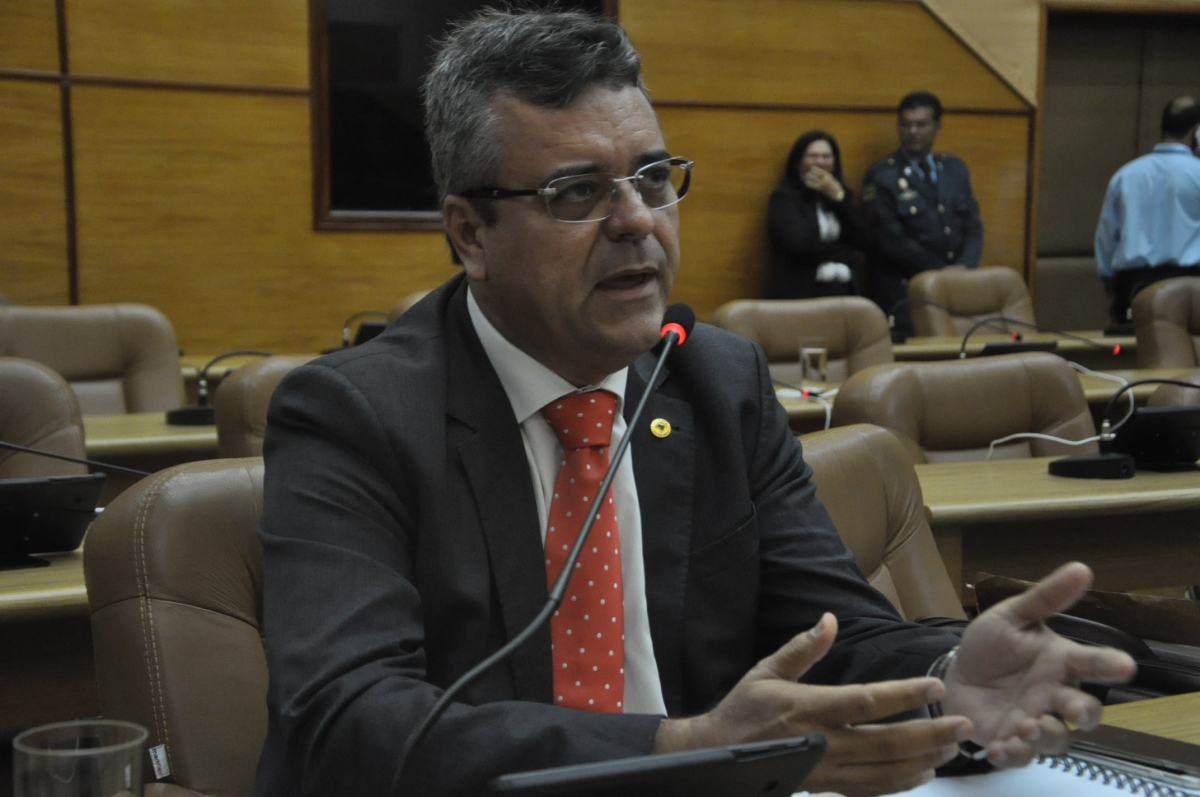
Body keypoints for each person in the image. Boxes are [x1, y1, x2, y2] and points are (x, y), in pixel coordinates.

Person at [251, 11, 1134, 797]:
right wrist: (677, 749)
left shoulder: (716, 382)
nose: (636, 220)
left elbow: (834, 630)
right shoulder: (351, 415)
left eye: (651, 178)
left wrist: (946, 665)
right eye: (577, 193)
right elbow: (348, 724)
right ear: (470, 234)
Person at [862, 91, 984, 333]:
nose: (913, 132)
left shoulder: (955, 169)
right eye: (906, 124)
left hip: (956, 289)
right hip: (907, 293)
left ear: (938, 127)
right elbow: (890, 239)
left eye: (921, 124)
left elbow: (973, 226)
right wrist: (941, 273)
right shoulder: (882, 175)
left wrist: (965, 267)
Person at [1095, 96, 1200, 325]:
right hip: (1191, 288)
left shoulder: (1125, 175)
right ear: (1196, 130)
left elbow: (1106, 238)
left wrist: (1113, 289)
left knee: (1130, 356)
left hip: (1132, 286)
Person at [766, 130, 875, 300]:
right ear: (798, 161)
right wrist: (847, 254)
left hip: (843, 291)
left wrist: (839, 199)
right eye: (813, 156)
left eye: (826, 156)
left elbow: (864, 238)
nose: (820, 162)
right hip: (802, 291)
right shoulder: (784, 198)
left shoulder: (841, 196)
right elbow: (801, 244)